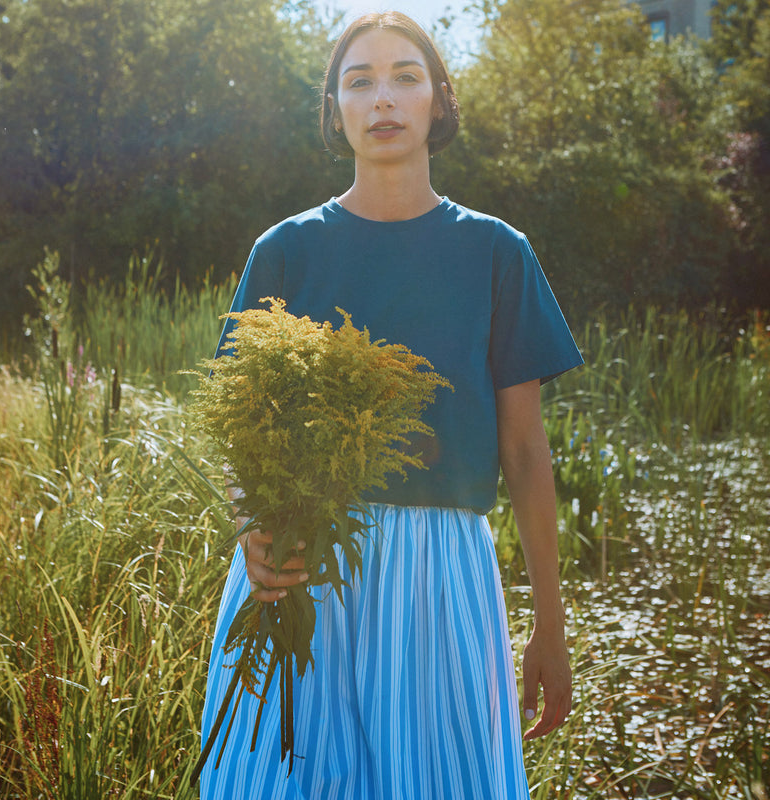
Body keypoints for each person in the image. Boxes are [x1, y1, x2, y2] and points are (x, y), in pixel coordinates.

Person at [199, 11, 583, 799]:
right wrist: (250, 527)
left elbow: (524, 453)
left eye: (405, 77)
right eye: (359, 80)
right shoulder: (285, 250)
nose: (383, 98)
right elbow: (242, 434)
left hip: (440, 582)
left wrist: (550, 620)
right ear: (334, 108)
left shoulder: (497, 253)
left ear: (439, 101)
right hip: (302, 570)